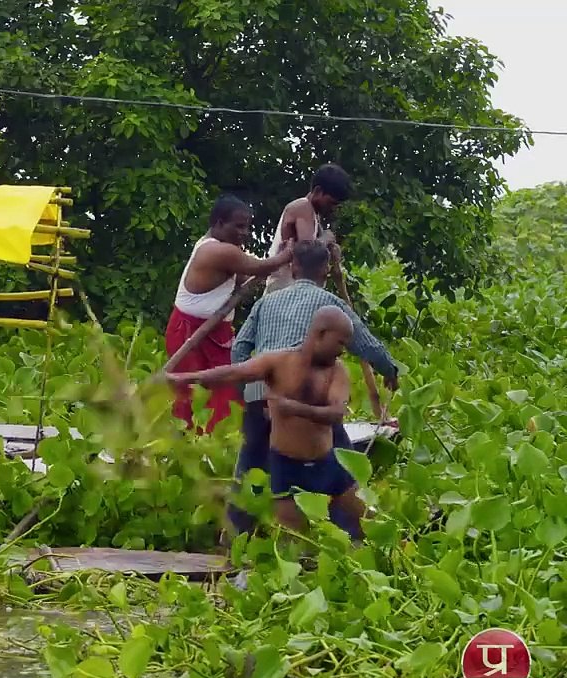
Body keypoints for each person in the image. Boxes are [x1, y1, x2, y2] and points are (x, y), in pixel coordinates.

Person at [227, 240, 399, 535]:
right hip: (309, 399)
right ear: (326, 270)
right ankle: (358, 537)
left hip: (263, 399)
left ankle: (235, 538)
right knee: (342, 466)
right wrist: (390, 370)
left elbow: (238, 351)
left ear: (293, 267)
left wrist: (253, 391)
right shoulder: (331, 307)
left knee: (249, 469)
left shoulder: (266, 302)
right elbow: (365, 343)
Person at [168, 307, 366, 540]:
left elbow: (336, 413)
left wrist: (292, 408)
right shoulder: (278, 362)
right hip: (286, 466)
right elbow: (234, 373)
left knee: (364, 522)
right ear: (321, 334)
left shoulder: (336, 372)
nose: (342, 351)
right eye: (340, 343)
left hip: (327, 464)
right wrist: (182, 378)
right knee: (292, 540)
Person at [166, 195, 295, 432]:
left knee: (224, 390)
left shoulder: (228, 251)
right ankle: (186, 449)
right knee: (190, 395)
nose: (244, 232)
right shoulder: (217, 251)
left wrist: (274, 262)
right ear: (218, 224)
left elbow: (247, 274)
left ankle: (217, 447)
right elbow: (259, 267)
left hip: (213, 332)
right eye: (238, 226)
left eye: (246, 226)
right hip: (189, 332)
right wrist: (287, 254)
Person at [264, 164, 353, 293]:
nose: (333, 208)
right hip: (284, 293)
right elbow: (307, 254)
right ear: (317, 191)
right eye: (331, 203)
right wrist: (325, 239)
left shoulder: (313, 214)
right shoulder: (303, 207)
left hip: (291, 293)